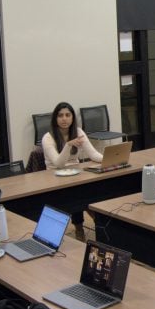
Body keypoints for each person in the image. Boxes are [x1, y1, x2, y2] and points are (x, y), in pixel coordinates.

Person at [42, 102, 103, 240]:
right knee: (77, 194)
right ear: (55, 119)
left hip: (75, 173)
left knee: (88, 193)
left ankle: (98, 224)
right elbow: (58, 163)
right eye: (60, 115)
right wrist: (68, 145)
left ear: (72, 118)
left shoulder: (78, 132)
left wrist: (109, 159)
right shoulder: (48, 137)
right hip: (53, 176)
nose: (64, 119)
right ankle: (79, 228)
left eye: (68, 115)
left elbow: (93, 155)